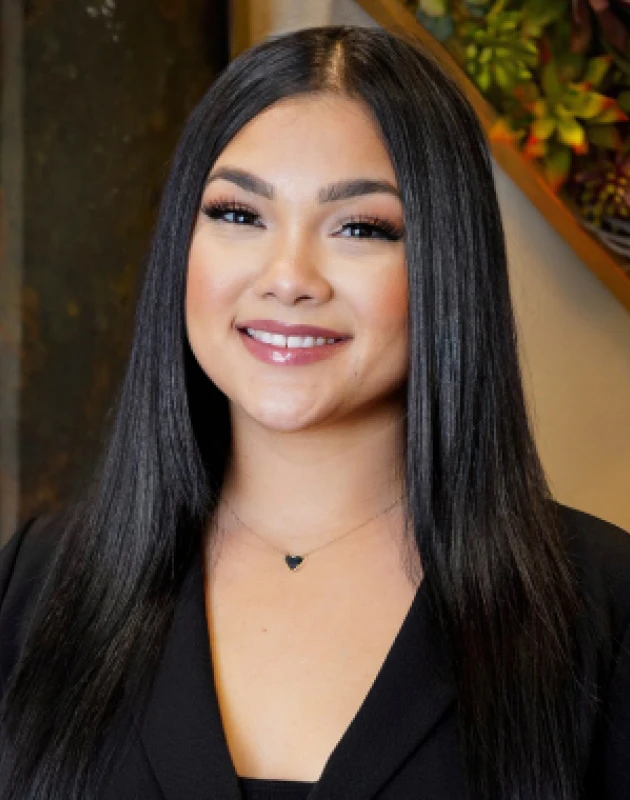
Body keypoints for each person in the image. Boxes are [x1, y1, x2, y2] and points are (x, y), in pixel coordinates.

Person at [1, 23, 629, 800]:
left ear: (446, 264)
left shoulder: (602, 608)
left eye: (359, 227)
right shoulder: (35, 586)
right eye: (238, 214)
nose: (289, 276)